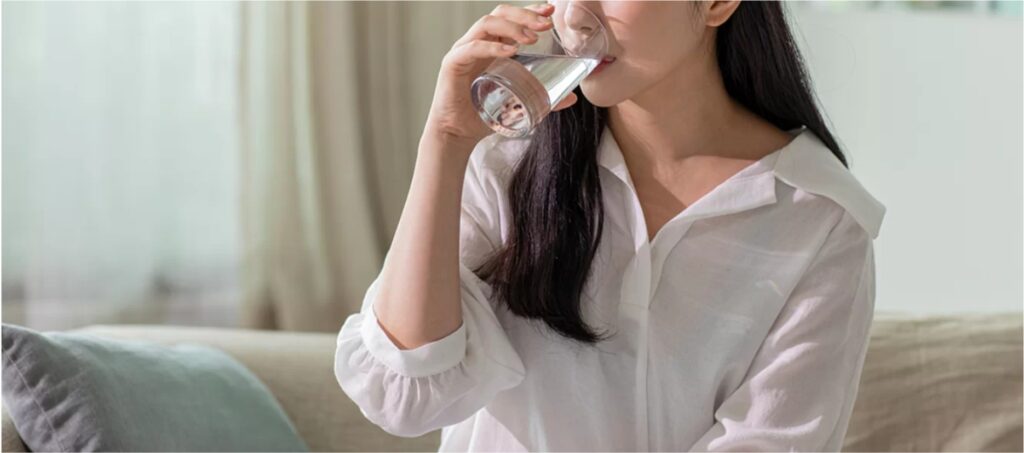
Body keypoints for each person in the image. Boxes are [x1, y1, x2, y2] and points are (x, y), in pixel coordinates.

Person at [334, 1, 887, 451]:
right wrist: (447, 140)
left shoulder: (819, 219)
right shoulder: (506, 167)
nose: (575, 17)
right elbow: (405, 397)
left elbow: (769, 440)